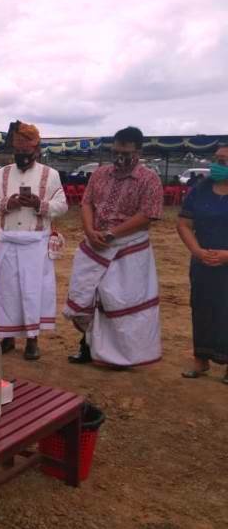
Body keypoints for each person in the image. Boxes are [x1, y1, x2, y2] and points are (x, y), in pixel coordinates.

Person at [63, 126, 164, 367]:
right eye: (115, 150)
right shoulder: (100, 174)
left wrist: (112, 234)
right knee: (89, 295)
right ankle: (87, 347)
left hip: (128, 248)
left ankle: (122, 355)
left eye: (125, 152)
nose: (119, 156)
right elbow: (86, 203)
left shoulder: (149, 179)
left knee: (119, 300)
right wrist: (90, 231)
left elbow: (147, 215)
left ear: (138, 151)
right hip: (95, 243)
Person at [0, 122, 68, 360]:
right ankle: (7, 337)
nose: (21, 154)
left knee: (33, 292)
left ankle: (33, 339)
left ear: (36, 149)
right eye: (18, 150)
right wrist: (6, 204)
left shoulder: (50, 175)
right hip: (8, 241)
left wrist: (39, 205)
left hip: (36, 244)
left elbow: (62, 205)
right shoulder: (2, 174)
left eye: (26, 150)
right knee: (7, 291)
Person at [177, 144, 228, 383]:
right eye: (217, 160)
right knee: (201, 308)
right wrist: (196, 250)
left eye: (225, 161)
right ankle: (201, 359)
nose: (218, 166)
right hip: (202, 262)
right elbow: (184, 224)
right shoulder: (201, 189)